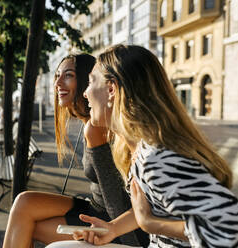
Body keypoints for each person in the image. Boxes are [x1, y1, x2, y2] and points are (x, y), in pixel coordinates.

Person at [49, 45, 238, 247]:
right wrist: (113, 229)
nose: (85, 94)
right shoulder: (136, 149)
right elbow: (149, 207)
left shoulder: (157, 159)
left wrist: (150, 224)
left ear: (111, 89)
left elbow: (229, 227)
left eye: (91, 82)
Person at [3, 54, 148, 248]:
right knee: (24, 202)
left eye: (68, 75)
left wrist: (127, 242)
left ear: (87, 80)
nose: (58, 83)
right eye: (57, 76)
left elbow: (115, 200)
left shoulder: (95, 128)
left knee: (30, 225)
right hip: (95, 206)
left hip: (110, 219)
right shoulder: (90, 121)